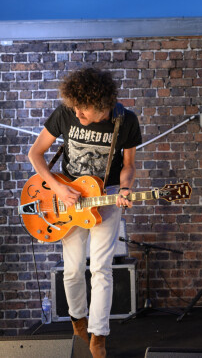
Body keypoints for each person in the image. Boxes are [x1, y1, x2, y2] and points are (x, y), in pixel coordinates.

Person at [28, 68, 142, 357]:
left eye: (83, 108)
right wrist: (56, 188)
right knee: (72, 270)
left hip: (106, 196)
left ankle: (99, 335)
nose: (76, 112)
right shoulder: (66, 113)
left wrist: (126, 189)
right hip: (68, 199)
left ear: (102, 105)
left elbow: (128, 165)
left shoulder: (125, 121)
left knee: (101, 269)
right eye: (74, 106)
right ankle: (79, 321)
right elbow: (35, 153)